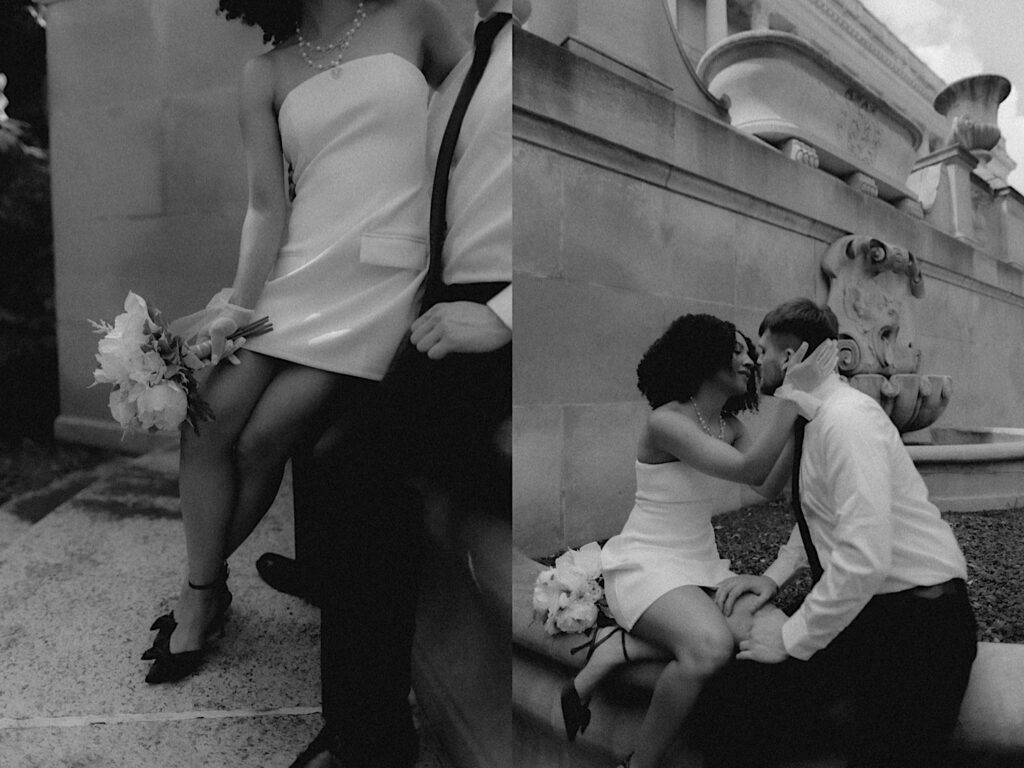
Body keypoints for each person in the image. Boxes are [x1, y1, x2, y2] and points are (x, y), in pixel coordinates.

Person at [139, 0, 467, 684]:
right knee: (206, 422)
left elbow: (477, 126)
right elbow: (266, 205)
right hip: (297, 271)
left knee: (267, 436)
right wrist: (239, 303)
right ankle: (203, 592)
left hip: (383, 281)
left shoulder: (415, 17)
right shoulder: (263, 72)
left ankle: (197, 595)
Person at [273, 2, 523, 766]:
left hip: (497, 314)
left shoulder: (540, 52)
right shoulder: (463, 66)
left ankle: (373, 742)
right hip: (435, 300)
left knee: (354, 466)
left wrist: (508, 314)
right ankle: (359, 725)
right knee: (325, 447)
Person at [694, 298, 977, 768]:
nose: (755, 361)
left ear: (788, 358)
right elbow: (820, 513)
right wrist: (775, 576)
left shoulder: (847, 420)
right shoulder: (814, 414)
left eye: (762, 350)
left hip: (922, 625)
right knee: (732, 702)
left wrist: (790, 636)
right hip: (871, 609)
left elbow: (864, 558)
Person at [559, 313, 838, 768]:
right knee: (709, 648)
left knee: (766, 635)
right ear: (703, 356)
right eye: (738, 350)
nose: (749, 360)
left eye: (750, 351)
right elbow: (749, 470)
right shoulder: (666, 422)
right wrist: (793, 395)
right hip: (646, 564)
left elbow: (764, 486)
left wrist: (804, 420)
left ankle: (621, 647)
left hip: (701, 564)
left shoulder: (728, 425)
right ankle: (638, 763)